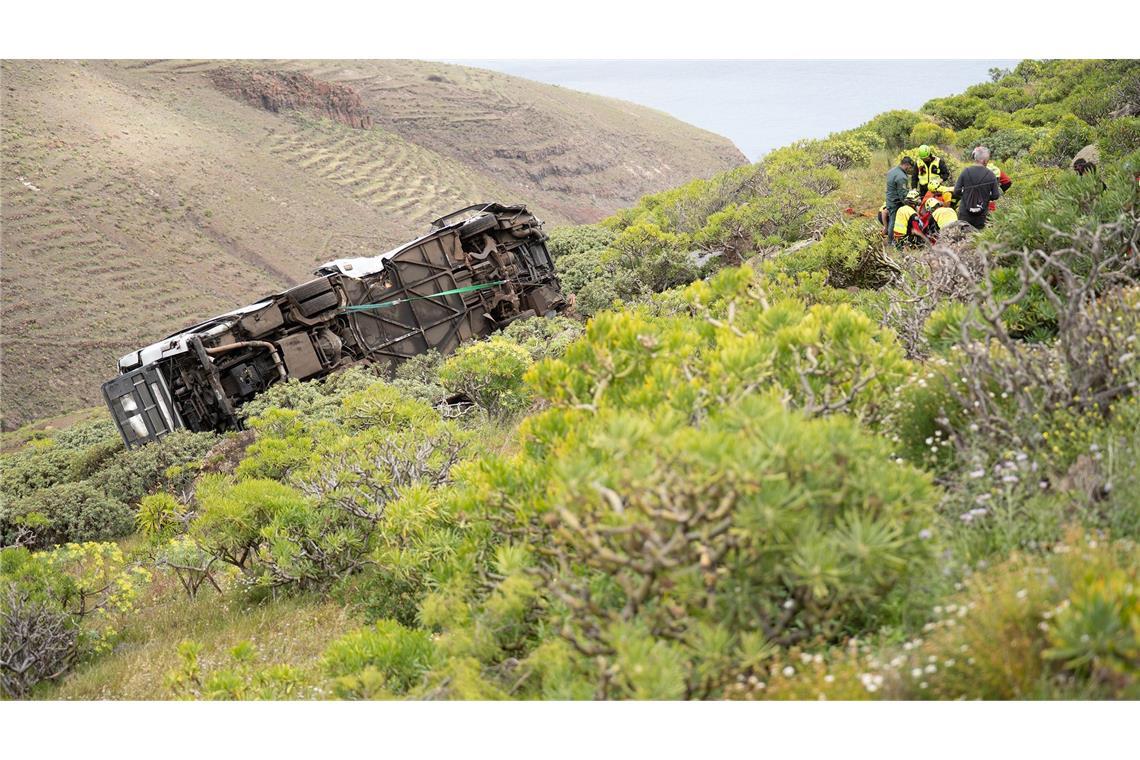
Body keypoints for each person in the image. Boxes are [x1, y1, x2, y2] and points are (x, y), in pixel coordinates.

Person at [952, 146, 1001, 230]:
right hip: (980, 216)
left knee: (962, 237)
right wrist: (986, 198)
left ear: (975, 158)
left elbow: (956, 191)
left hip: (964, 214)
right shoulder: (991, 175)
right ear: (985, 161)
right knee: (977, 239)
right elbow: (996, 195)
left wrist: (966, 195)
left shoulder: (965, 171)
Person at [885, 156, 915, 248]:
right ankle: (891, 243)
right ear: (906, 165)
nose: (910, 169)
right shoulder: (902, 177)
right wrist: (910, 203)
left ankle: (892, 241)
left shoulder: (891, 171)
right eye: (909, 167)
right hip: (896, 202)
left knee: (891, 221)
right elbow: (903, 194)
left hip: (889, 199)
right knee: (893, 222)